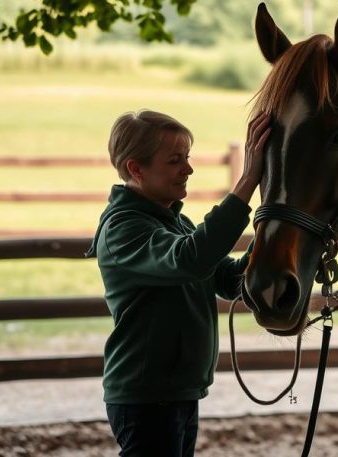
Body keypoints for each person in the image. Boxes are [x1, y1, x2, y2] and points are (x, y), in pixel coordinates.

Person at [87, 109, 271, 457]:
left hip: (177, 392)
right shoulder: (123, 229)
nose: (188, 169)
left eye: (186, 158)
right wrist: (247, 182)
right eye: (174, 161)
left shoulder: (175, 221)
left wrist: (274, 234)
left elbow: (230, 281)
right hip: (147, 397)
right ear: (135, 169)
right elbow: (192, 259)